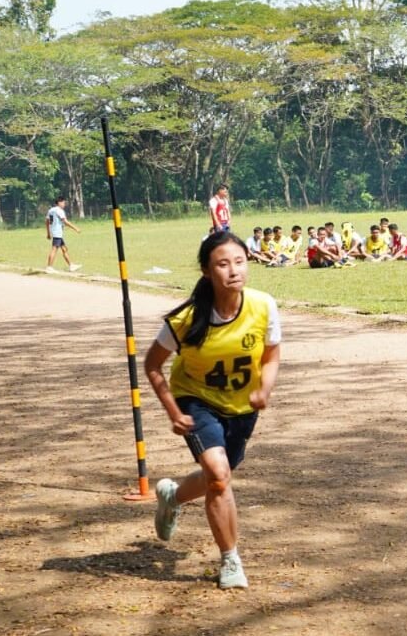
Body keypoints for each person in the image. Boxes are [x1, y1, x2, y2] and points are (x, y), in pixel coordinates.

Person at [144, 231, 282, 589]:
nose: (234, 270)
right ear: (207, 271)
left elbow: (271, 355)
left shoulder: (263, 305)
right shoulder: (187, 320)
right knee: (219, 476)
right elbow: (153, 365)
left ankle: (172, 496)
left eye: (239, 261)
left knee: (217, 478)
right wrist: (174, 411)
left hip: (241, 407)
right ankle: (230, 560)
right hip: (196, 401)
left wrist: (264, 388)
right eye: (223, 264)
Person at [45, 196, 82, 273]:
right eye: (63, 202)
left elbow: (47, 222)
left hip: (55, 232)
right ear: (59, 203)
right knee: (54, 250)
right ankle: (49, 267)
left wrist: (48, 233)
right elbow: (65, 221)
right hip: (57, 233)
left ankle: (71, 266)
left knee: (64, 249)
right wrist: (76, 228)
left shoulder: (51, 210)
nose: (64, 204)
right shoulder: (59, 210)